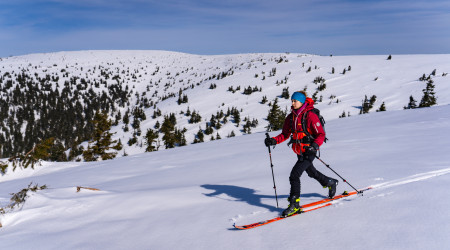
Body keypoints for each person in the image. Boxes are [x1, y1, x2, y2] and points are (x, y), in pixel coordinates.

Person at [264, 91, 338, 217]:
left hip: (310, 151)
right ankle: (330, 182)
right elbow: (285, 134)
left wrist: (314, 146)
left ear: (302, 102)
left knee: (294, 175)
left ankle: (294, 204)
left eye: (295, 101)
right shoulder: (291, 117)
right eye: (291, 101)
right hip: (299, 150)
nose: (292, 103)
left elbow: (321, 134)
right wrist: (273, 140)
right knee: (311, 172)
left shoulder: (310, 116)